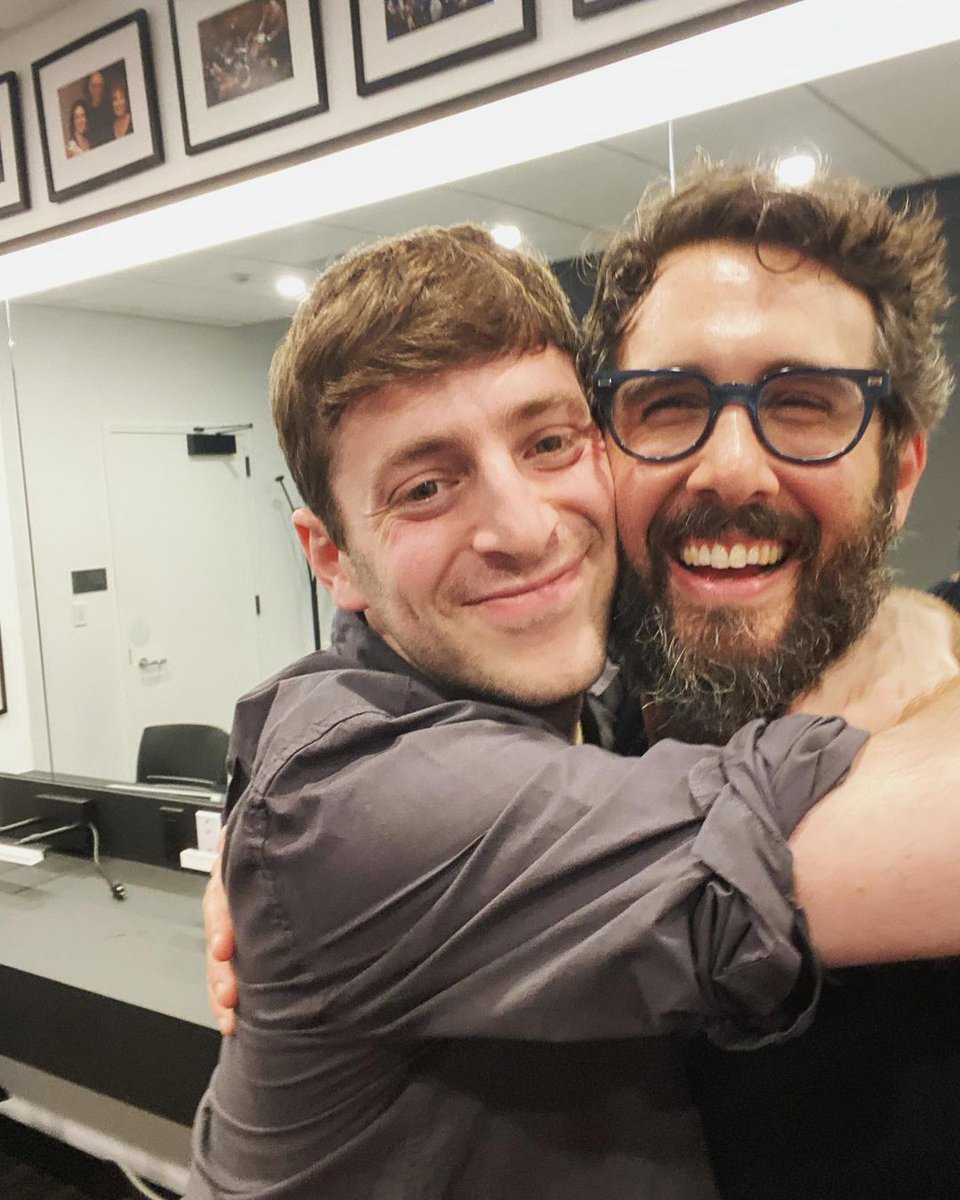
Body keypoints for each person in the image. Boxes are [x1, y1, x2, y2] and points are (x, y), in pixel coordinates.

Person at [189, 218, 960, 1200]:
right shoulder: (342, 805)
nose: (521, 527)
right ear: (330, 555)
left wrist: (922, 620)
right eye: (426, 487)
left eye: (549, 443)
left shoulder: (618, 701)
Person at [579, 161, 960, 1198]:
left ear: (901, 471)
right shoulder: (573, 736)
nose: (732, 469)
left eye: (803, 403)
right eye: (667, 403)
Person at [83, 70, 112, 147]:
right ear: (88, 87)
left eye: (100, 86)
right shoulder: (84, 111)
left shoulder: (110, 107)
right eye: (94, 86)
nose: (97, 90)